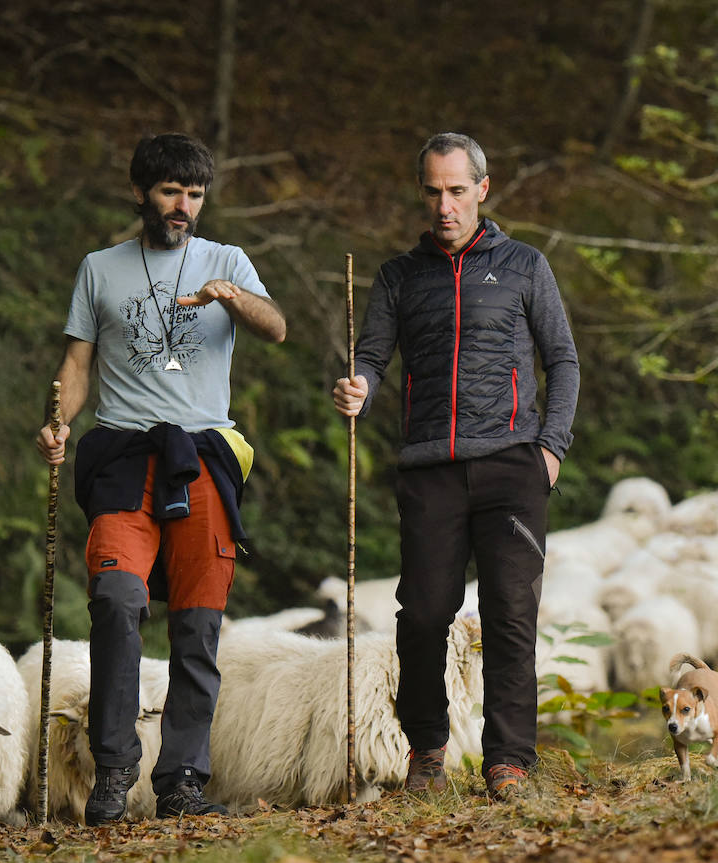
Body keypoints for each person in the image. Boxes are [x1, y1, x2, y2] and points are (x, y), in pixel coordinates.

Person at [37, 133, 285, 823]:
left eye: (195, 195)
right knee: (116, 599)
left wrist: (232, 296)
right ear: (141, 193)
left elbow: (276, 327)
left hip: (203, 457)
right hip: (122, 456)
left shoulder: (227, 259)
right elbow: (78, 362)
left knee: (199, 622)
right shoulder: (100, 268)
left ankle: (182, 781)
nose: (183, 207)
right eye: (171, 192)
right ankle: (113, 770)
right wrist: (60, 418)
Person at [331, 132, 579, 801]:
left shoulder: (526, 266)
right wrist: (357, 385)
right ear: (423, 193)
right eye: (434, 192)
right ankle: (428, 747)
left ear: (482, 189)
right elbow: (372, 358)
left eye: (458, 191)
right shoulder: (398, 277)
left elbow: (563, 360)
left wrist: (551, 448)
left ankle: (508, 762)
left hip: (512, 467)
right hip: (431, 469)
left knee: (509, 615)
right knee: (422, 614)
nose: (445, 205)